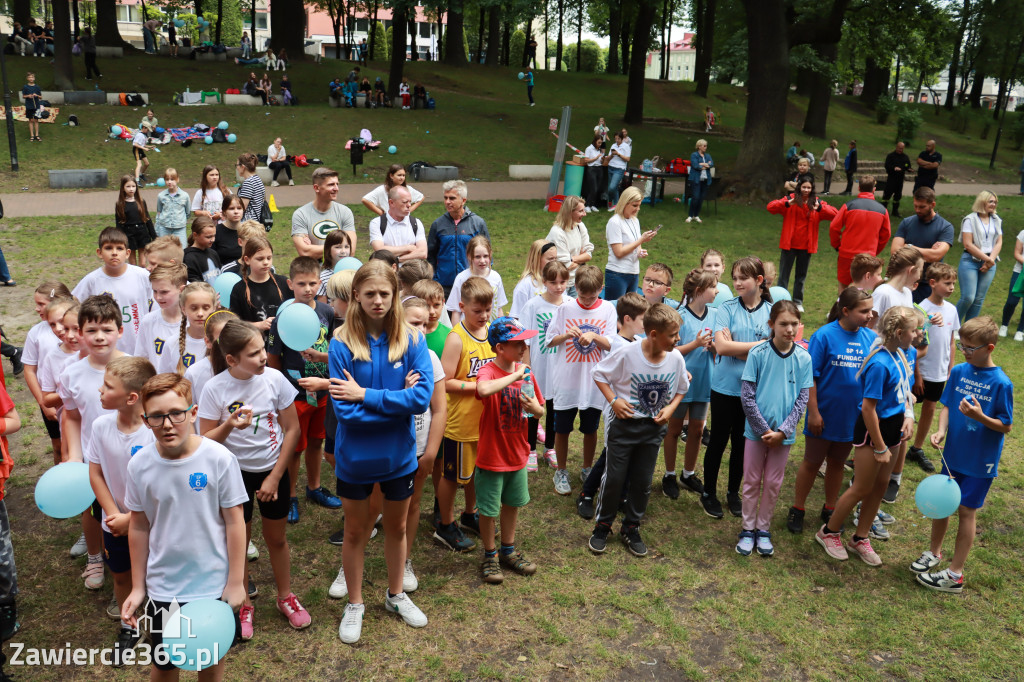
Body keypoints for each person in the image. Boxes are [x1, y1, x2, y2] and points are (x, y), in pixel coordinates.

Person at [329, 261, 432, 643]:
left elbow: (421, 399)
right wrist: (396, 401)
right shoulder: (340, 343)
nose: (377, 301)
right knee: (356, 531)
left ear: (394, 296)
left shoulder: (412, 340)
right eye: (369, 293)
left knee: (397, 527)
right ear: (356, 294)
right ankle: (354, 603)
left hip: (399, 458)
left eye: (384, 294)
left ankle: (395, 594)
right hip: (354, 460)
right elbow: (346, 413)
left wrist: (366, 395)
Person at [121, 373, 247, 678]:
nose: (167, 424)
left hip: (212, 585)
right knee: (164, 665)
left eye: (176, 413)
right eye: (157, 417)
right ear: (144, 418)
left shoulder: (219, 459)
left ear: (192, 413)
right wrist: (139, 587)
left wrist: (235, 581)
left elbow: (234, 521)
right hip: (165, 586)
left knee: (210, 663)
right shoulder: (140, 464)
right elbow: (138, 526)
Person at [199, 318, 309, 638]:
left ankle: (285, 597)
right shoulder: (214, 389)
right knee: (239, 543)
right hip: (233, 479)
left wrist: (275, 477)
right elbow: (205, 442)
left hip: (272, 472)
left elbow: (293, 430)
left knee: (276, 539)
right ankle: (244, 602)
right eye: (253, 354)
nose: (263, 357)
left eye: (263, 349)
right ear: (231, 359)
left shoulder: (274, 379)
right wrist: (231, 425)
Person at [913, 316, 1013, 593]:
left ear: (989, 348)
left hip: (980, 461)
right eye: (963, 345)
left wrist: (980, 416)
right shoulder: (959, 371)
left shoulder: (1001, 384)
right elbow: (946, 406)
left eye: (971, 348)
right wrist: (941, 431)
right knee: (943, 504)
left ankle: (955, 574)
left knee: (967, 510)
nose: (966, 352)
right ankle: (934, 552)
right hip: (952, 454)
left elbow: (1006, 425)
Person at [816, 306, 918, 566]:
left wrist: (908, 416)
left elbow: (904, 390)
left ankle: (860, 537)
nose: (918, 335)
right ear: (898, 332)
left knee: (881, 486)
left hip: (893, 428)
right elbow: (868, 408)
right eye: (914, 330)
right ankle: (829, 532)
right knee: (862, 486)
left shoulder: (900, 355)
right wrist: (881, 446)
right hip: (874, 432)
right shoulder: (879, 363)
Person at [588, 303, 689, 557]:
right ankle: (602, 527)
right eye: (673, 335)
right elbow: (599, 373)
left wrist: (671, 408)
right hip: (624, 428)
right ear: (653, 334)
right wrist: (614, 401)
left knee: (643, 482)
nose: (678, 340)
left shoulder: (675, 357)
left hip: (652, 430)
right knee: (614, 479)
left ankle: (631, 527)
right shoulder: (628, 353)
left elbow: (681, 388)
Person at [786, 287, 876, 534]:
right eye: (864, 311)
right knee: (812, 462)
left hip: (852, 417)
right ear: (845, 311)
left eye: (871, 310)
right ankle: (798, 507)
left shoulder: (869, 338)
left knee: (837, 463)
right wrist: (813, 412)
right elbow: (810, 378)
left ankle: (830, 506)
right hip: (823, 415)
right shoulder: (824, 336)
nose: (870, 315)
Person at [86, 356, 157, 663]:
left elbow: (165, 482)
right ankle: (129, 626)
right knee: (121, 576)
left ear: (131, 397)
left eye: (107, 386)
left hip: (154, 523)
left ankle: (161, 627)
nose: (99, 391)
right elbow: (96, 473)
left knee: (155, 577)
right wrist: (113, 514)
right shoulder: (101, 426)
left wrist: (134, 518)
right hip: (114, 523)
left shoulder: (155, 431)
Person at [60, 295, 131, 590]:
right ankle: (94, 557)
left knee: (131, 509)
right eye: (91, 330)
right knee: (93, 510)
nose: (99, 336)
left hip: (131, 456)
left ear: (120, 331)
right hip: (94, 461)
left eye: (106, 329)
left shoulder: (136, 368)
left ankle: (139, 562)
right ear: (79, 333)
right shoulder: (71, 374)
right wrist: (74, 456)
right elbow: (72, 417)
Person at [736, 301, 812, 557]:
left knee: (772, 483)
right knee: (752, 480)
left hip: (784, 437)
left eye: (794, 324)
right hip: (755, 434)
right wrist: (762, 429)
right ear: (771, 325)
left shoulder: (804, 358)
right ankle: (747, 529)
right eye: (783, 324)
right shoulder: (758, 353)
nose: (789, 329)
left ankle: (763, 529)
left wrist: (783, 432)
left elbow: (802, 399)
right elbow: (747, 395)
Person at [267, 257, 339, 524]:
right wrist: (279, 394)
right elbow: (273, 360)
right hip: (293, 396)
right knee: (294, 447)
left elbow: (330, 347)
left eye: (312, 283)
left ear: (320, 283)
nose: (307, 288)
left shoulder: (327, 312)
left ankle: (314, 487)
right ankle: (291, 496)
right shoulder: (282, 319)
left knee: (317, 441)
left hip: (321, 391)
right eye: (301, 284)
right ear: (290, 284)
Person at [473, 317, 544, 582]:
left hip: (517, 453)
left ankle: (508, 551)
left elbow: (539, 408)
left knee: (512, 504)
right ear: (500, 348)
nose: (524, 347)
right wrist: (515, 374)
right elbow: (482, 389)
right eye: (517, 343)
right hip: (492, 455)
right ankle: (490, 555)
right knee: (489, 510)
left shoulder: (527, 373)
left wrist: (534, 409)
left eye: (524, 342)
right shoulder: (489, 371)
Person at [702, 257, 773, 519]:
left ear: (759, 281)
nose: (738, 283)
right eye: (735, 278)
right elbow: (721, 347)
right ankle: (708, 492)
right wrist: (759, 347)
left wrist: (738, 348)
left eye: (744, 278)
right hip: (723, 387)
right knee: (718, 441)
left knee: (742, 444)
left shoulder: (771, 312)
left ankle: (733, 492)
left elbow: (773, 353)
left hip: (753, 390)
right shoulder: (727, 308)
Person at [575, 293, 649, 519]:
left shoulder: (639, 342)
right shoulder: (616, 344)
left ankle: (621, 496)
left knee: (629, 453)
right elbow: (600, 374)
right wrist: (613, 401)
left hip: (635, 410)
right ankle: (587, 493)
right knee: (611, 454)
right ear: (627, 319)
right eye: (643, 320)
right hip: (615, 411)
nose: (646, 324)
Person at [545, 265, 616, 495]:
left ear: (601, 289)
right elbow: (549, 341)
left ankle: (587, 468)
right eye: (582, 296)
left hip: (594, 383)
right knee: (562, 428)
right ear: (575, 288)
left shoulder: (607, 310)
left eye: (592, 296)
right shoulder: (565, 309)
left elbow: (613, 344)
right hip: (567, 380)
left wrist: (595, 335)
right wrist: (567, 334)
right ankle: (562, 470)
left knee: (590, 428)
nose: (586, 301)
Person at [661, 269, 717, 500]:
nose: (717, 290)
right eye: (713, 287)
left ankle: (688, 474)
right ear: (699, 291)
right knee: (673, 430)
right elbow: (670, 350)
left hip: (705, 382)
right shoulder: (679, 316)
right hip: (681, 383)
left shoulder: (715, 314)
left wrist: (714, 347)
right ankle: (669, 474)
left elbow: (720, 346)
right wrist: (695, 344)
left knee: (696, 430)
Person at [908, 263, 960, 474]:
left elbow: (951, 341)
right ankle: (899, 441)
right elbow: (915, 345)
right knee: (908, 408)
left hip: (939, 372)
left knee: (930, 407)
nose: (951, 288)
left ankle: (917, 448)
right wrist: (917, 374)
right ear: (932, 283)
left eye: (954, 284)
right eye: (947, 283)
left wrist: (950, 367)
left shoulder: (952, 310)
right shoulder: (920, 309)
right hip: (919, 373)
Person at [520, 260, 568, 471]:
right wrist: (526, 367)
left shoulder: (569, 304)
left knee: (555, 409)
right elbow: (526, 340)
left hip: (560, 369)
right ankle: (530, 449)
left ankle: (550, 447)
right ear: (544, 281)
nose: (558, 286)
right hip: (537, 368)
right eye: (553, 282)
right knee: (532, 410)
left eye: (563, 282)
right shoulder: (533, 305)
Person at [73, 228, 153, 356]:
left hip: (138, 345)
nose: (114, 253)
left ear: (127, 253)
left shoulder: (142, 276)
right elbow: (74, 304)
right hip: (105, 347)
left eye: (119, 248)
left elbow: (156, 305)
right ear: (99, 252)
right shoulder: (92, 280)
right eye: (109, 248)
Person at [767, 175, 837, 311]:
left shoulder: (817, 203)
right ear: (799, 187)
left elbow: (836, 214)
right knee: (784, 275)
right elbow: (770, 207)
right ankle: (782, 300)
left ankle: (798, 302)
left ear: (812, 189)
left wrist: (821, 208)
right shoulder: (790, 200)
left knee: (801, 276)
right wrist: (787, 203)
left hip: (806, 246)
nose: (806, 190)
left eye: (809, 187)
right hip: (789, 244)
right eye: (804, 187)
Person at [427, 180, 491, 297]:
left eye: (452, 198)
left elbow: (487, 254)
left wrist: (486, 278)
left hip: (471, 285)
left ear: (463, 200)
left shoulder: (477, 223)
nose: (447, 202)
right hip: (444, 286)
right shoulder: (438, 224)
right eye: (445, 198)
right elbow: (430, 255)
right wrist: (435, 279)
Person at [891, 186, 955, 303]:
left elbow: (936, 256)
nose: (917, 210)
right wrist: (928, 251)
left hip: (928, 284)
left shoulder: (945, 227)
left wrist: (908, 247)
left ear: (933, 205)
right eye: (915, 206)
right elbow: (895, 251)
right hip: (904, 281)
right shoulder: (907, 222)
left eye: (922, 207)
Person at [829, 176, 891, 289]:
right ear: (874, 189)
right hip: (868, 256)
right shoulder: (882, 210)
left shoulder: (848, 206)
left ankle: (842, 306)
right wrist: (875, 251)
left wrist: (837, 245)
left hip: (847, 254)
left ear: (859, 188)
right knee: (864, 287)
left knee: (843, 286)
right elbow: (886, 235)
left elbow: (834, 227)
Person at [228, 235, 292, 334]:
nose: (266, 262)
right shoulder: (239, 289)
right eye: (260, 259)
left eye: (269, 258)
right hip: (253, 343)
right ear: (247, 260)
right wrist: (259, 325)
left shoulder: (283, 283)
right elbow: (234, 324)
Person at [291, 167, 357, 261]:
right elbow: (304, 252)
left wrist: (313, 248)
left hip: (339, 270)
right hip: (313, 272)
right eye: (331, 185)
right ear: (316, 188)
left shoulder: (345, 212)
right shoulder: (301, 214)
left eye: (337, 184)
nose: (336, 188)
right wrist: (341, 247)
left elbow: (351, 250)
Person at [955, 190, 1002, 322]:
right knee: (968, 297)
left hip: (990, 262)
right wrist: (987, 259)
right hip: (970, 261)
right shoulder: (970, 219)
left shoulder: (996, 220)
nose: (993, 204)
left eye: (995, 202)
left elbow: (999, 241)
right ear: (982, 201)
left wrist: (991, 260)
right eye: (990, 201)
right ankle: (953, 325)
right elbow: (968, 244)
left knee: (978, 299)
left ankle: (969, 331)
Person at [604, 187, 657, 301]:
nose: (637, 209)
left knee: (630, 311)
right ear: (625, 203)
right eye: (634, 205)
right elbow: (618, 252)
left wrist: (640, 252)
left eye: (639, 205)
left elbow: (636, 244)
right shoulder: (615, 222)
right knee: (616, 311)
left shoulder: (634, 220)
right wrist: (641, 240)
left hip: (633, 272)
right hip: (617, 273)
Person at [134, 264, 187, 373]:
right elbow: (140, 360)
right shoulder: (148, 321)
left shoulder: (193, 322)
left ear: (182, 289)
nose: (158, 297)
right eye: (154, 291)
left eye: (164, 292)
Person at [446, 236, 507, 326]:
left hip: (491, 331)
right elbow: (456, 311)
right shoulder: (462, 278)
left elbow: (498, 308)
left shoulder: (496, 277)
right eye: (477, 257)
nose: (482, 261)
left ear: (490, 255)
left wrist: (501, 330)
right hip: (468, 330)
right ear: (469, 256)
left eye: (485, 256)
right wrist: (457, 334)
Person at [545, 196, 594, 297]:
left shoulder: (580, 226)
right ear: (569, 212)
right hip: (560, 285)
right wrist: (581, 258)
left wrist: (572, 259)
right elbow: (566, 266)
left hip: (576, 282)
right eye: (581, 211)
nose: (584, 214)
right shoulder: (557, 233)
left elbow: (588, 254)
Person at [509, 240, 557, 321]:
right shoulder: (525, 285)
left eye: (556, 258)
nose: (554, 263)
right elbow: (515, 318)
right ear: (537, 259)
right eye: (550, 259)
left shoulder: (558, 282)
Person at [114, 176, 155, 264]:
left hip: (142, 232)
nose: (131, 189)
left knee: (143, 263)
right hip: (129, 234)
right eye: (128, 186)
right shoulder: (120, 204)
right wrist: (119, 238)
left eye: (133, 186)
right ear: (123, 188)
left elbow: (147, 219)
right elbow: (118, 223)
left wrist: (154, 235)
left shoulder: (141, 201)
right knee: (132, 264)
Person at [999, 224, 1024, 340]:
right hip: (1019, 272)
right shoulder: (1023, 233)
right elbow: (1017, 254)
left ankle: (1020, 331)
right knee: (1011, 301)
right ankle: (1004, 325)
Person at [153, 168, 189, 245]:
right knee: (164, 250)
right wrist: (157, 229)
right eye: (167, 179)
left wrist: (181, 221)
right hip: (164, 228)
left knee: (181, 250)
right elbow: (159, 212)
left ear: (177, 180)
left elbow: (187, 213)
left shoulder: (185, 196)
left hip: (180, 229)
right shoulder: (161, 196)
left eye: (172, 179)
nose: (169, 182)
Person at [183, 217, 222, 284]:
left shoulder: (213, 253)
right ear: (195, 235)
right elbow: (193, 283)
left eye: (214, 236)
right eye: (208, 237)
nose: (213, 240)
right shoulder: (188, 257)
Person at [687, 139, 714, 224]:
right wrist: (705, 164)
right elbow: (695, 165)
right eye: (704, 146)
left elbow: (711, 164)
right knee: (695, 198)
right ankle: (690, 215)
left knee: (701, 198)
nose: (706, 147)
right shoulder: (694, 155)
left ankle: (696, 215)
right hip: (696, 179)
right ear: (699, 146)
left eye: (706, 146)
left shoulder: (708, 155)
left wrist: (702, 164)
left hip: (705, 180)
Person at [882, 141, 911, 218]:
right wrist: (894, 168)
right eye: (899, 148)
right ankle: (882, 211)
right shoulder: (891, 156)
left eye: (902, 148)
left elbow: (907, 165)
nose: (900, 150)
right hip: (891, 178)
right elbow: (887, 165)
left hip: (900, 179)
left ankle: (895, 211)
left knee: (897, 196)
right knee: (887, 195)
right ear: (896, 147)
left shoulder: (905, 157)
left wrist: (909, 169)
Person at [236, 153, 267, 225]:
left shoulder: (248, 182)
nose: (237, 168)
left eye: (237, 165)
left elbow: (242, 207)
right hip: (256, 223)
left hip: (248, 224)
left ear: (242, 167)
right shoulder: (257, 179)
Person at [606, 132, 631, 209]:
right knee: (614, 187)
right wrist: (612, 155)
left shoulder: (626, 146)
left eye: (618, 139)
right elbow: (608, 159)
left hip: (619, 169)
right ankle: (616, 204)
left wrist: (618, 154)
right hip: (610, 167)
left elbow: (627, 159)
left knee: (611, 187)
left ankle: (610, 200)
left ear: (622, 138)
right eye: (615, 138)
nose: (617, 140)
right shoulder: (613, 145)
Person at [581, 136, 606, 213]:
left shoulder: (599, 150)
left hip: (599, 168)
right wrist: (596, 158)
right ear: (595, 141)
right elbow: (586, 160)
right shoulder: (589, 148)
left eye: (601, 143)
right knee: (593, 188)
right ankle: (587, 205)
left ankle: (593, 205)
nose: (599, 144)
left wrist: (602, 159)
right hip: (592, 169)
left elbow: (600, 161)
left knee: (598, 188)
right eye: (598, 142)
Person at [21, 72, 41, 143]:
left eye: (32, 77)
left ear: (34, 78)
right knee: (31, 120)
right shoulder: (25, 87)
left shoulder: (37, 87)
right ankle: (32, 135)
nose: (31, 78)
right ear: (27, 78)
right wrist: (28, 96)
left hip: (37, 106)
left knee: (36, 120)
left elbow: (40, 97)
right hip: (29, 105)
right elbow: (23, 96)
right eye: (29, 77)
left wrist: (37, 95)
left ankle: (37, 135)